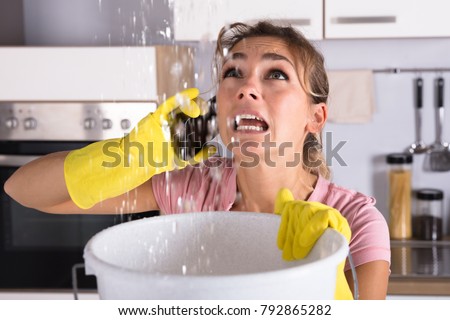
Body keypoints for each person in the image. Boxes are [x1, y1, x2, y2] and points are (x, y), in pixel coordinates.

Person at [4, 21, 390, 299]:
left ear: (315, 118)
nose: (247, 87)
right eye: (233, 72)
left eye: (275, 73)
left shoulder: (355, 222)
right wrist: (132, 155)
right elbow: (24, 190)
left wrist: (328, 261)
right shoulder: (191, 188)